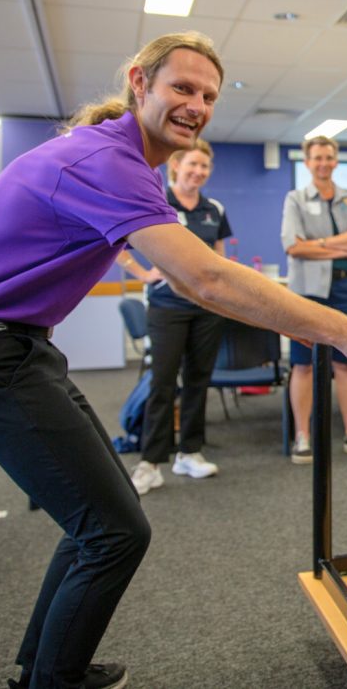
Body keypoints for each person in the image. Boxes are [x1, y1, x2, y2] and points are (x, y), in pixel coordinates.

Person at [0, 32, 347, 689]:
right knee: (114, 532)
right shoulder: (106, 159)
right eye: (183, 88)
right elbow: (205, 279)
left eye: (209, 95)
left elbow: (198, 278)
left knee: (99, 517)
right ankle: (53, 680)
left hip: (17, 345)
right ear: (139, 82)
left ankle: (44, 668)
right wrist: (346, 332)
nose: (198, 104)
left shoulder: (125, 162)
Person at [115, 139, 233, 495]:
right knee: (162, 383)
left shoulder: (214, 208)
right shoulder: (156, 200)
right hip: (167, 306)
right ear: (175, 167)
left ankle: (189, 452)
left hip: (206, 307)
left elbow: (219, 257)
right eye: (193, 165)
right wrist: (143, 273)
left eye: (204, 167)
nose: (198, 173)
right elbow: (119, 243)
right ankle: (150, 462)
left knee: (199, 380)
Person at [282, 135, 347, 464]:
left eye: (329, 157)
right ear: (308, 162)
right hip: (308, 290)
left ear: (335, 161)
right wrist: (340, 243)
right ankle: (302, 436)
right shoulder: (295, 198)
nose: (323, 163)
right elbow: (293, 246)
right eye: (317, 158)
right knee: (303, 363)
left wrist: (319, 243)